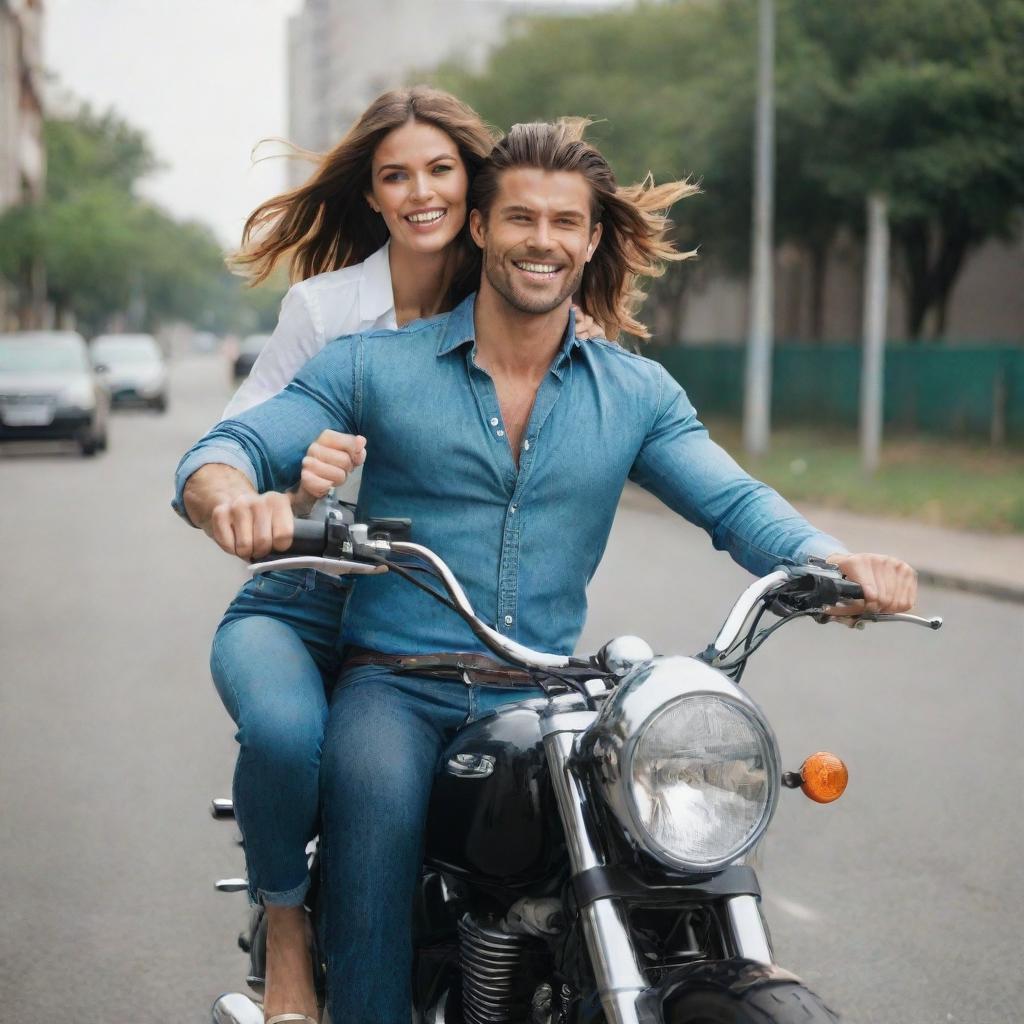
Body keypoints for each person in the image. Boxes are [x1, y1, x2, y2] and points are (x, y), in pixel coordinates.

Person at [176, 120, 917, 1024]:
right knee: (371, 817)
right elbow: (233, 445)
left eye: (565, 223)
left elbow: (735, 504)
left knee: (656, 839)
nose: (543, 240)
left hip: (548, 693)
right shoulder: (374, 367)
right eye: (520, 217)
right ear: (480, 229)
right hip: (399, 689)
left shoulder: (635, 392)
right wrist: (232, 500)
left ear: (591, 239)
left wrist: (830, 565)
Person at [179, 89, 605, 1024]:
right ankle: (287, 926)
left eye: (441, 169)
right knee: (290, 738)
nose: (421, 192)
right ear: (370, 196)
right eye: (394, 175)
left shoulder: (508, 293)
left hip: (437, 617)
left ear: (476, 186)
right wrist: (277, 493)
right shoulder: (327, 310)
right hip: (306, 597)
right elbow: (236, 449)